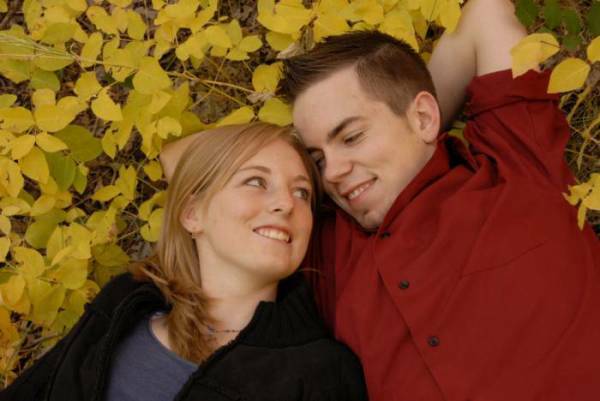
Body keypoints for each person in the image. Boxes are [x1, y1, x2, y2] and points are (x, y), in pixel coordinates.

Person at [161, 0, 600, 400]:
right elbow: (179, 159)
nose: (332, 173)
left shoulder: (518, 165)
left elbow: (485, 14)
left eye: (352, 136)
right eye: (317, 159)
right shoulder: (325, 249)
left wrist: (416, 125)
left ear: (425, 114)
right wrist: (304, 160)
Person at [0, 123, 368, 401]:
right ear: (192, 215)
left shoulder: (322, 374)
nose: (287, 203)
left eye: (302, 192)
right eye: (256, 181)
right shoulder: (125, 306)